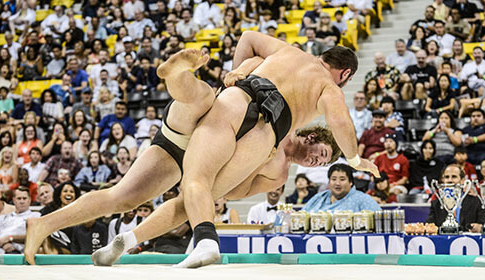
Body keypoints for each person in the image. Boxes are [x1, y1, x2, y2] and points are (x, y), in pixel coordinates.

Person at [25, 48, 350, 266]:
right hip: (213, 122)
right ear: (312, 135)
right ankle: (179, 75)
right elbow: (254, 61)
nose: (315, 162)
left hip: (195, 154)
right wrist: (239, 69)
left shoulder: (279, 173)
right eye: (319, 154)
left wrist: (246, 169)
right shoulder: (284, 116)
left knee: (125, 197)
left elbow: (231, 192)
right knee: (205, 101)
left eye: (321, 163)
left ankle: (46, 225)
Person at [426, 164, 485, 233]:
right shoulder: (436, 203)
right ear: (443, 180)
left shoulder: (475, 202)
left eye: (454, 177)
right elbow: (429, 225)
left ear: (462, 180)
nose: (450, 180)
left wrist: (480, 227)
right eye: (447, 177)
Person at [303, 164, 381, 212]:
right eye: (333, 179)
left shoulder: (364, 200)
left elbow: (379, 224)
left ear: (351, 182)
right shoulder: (319, 197)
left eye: (342, 179)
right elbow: (302, 214)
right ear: (329, 182)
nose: (337, 183)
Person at [0, 187, 40, 254]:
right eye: (19, 198)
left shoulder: (35, 216)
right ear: (13, 200)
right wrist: (2, 243)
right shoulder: (3, 217)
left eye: (24, 198)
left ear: (29, 200)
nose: (22, 201)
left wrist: (10, 238)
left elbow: (34, 236)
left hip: (17, 252)